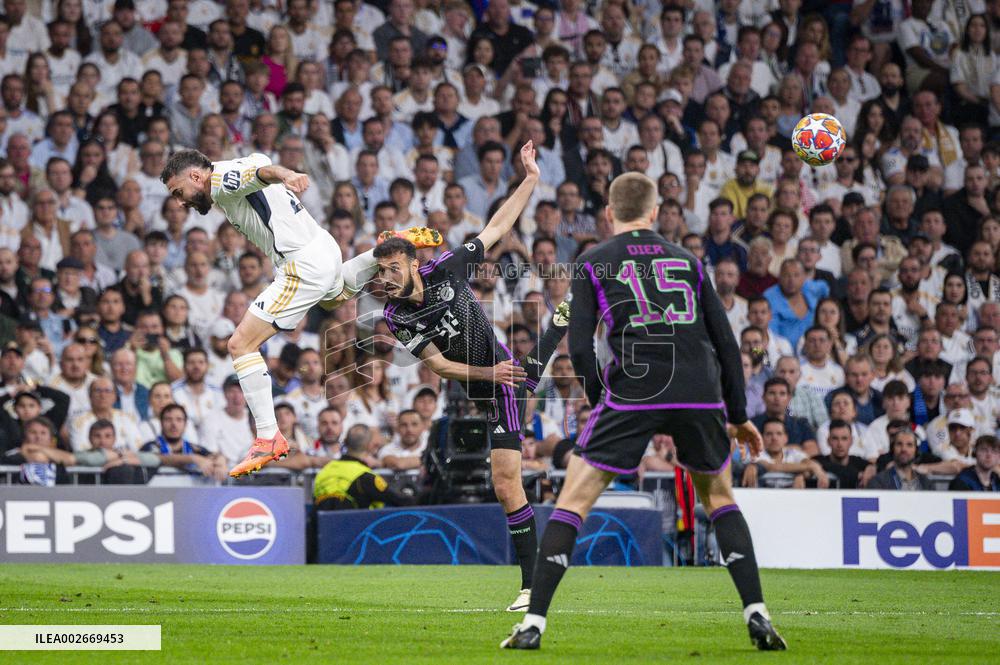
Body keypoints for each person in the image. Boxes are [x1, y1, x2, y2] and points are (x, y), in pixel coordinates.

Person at [501, 172, 785, 651]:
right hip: (699, 389)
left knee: (573, 501)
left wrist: (597, 397)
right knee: (718, 499)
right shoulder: (689, 261)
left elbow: (582, 349)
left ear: (609, 214)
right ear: (654, 213)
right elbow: (728, 344)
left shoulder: (594, 261)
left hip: (635, 388)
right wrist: (737, 415)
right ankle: (757, 613)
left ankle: (533, 625)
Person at [159, 148, 442, 477]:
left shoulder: (219, 180)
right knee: (335, 297)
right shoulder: (240, 163)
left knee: (240, 345)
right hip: (324, 247)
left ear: (196, 176)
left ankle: (267, 436)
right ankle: (386, 248)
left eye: (179, 192)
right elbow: (260, 160)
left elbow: (263, 173)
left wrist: (287, 175)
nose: (180, 202)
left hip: (301, 265)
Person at [376, 142, 570, 613]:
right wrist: (490, 372)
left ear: (414, 264)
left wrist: (528, 180)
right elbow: (439, 366)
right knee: (520, 381)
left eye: (392, 267)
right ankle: (562, 321)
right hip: (490, 377)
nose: (385, 277)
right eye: (380, 270)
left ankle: (531, 588)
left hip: (498, 380)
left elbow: (498, 226)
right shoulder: (395, 314)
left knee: (505, 483)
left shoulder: (446, 268)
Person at [313, 423, 415, 509]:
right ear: (369, 445)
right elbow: (399, 501)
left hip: (321, 529)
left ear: (345, 442)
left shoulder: (324, 471)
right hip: (355, 529)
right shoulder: (366, 477)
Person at [866, 428, 934, 490]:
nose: (904, 449)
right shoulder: (878, 482)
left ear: (916, 450)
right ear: (893, 449)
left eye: (909, 445)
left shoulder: (926, 483)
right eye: (899, 444)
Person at [812, 419, 870, 489]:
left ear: (851, 441)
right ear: (828, 441)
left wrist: (872, 468)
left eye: (844, 439)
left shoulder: (860, 463)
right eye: (835, 438)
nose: (840, 444)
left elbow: (880, 468)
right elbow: (809, 463)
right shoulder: (818, 461)